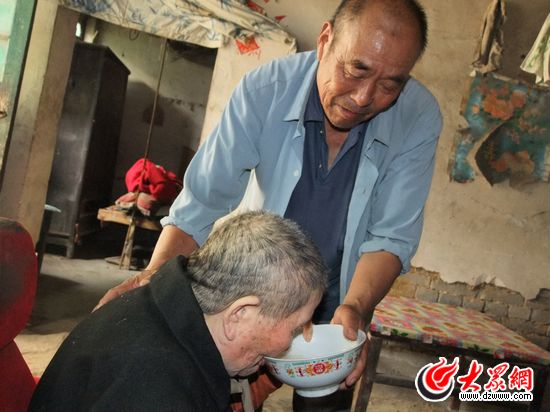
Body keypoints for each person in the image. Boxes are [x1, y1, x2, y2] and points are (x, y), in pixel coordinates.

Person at [98, 0, 443, 409]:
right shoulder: (264, 91)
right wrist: (155, 277)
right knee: (234, 395)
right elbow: (201, 202)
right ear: (326, 40)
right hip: (261, 292)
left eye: (390, 85)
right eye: (356, 70)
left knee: (324, 402)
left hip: (343, 300)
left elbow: (391, 235)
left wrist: (356, 307)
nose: (364, 97)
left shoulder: (418, 117)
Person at [29, 211, 327, 411]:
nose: (289, 343)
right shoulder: (156, 390)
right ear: (239, 314)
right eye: (294, 328)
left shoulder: (160, 306)